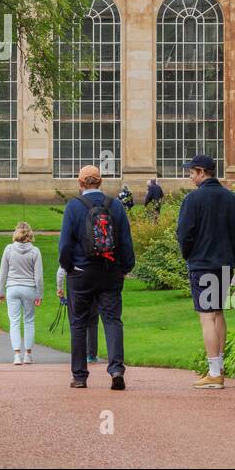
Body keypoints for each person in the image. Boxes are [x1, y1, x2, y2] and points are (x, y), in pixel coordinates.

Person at [58, 165, 135, 390]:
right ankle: (116, 369)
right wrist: (125, 267)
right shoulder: (116, 205)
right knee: (112, 321)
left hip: (80, 273)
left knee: (79, 323)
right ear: (100, 183)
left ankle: (80, 376)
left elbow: (64, 245)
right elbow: (125, 242)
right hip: (110, 271)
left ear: (80, 183)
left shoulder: (73, 207)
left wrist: (68, 267)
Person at [176, 154, 235, 389]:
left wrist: (188, 254)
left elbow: (184, 234)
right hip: (226, 264)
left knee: (207, 316)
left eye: (191, 172)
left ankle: (214, 371)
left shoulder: (193, 200)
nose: (189, 176)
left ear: (200, 171)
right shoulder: (232, 198)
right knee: (218, 314)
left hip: (202, 263)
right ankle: (219, 366)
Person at [0, 222, 43, 365]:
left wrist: (1, 291)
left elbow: (3, 273)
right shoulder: (35, 251)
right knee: (29, 321)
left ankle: (17, 354)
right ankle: (28, 354)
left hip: (12, 288)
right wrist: (39, 294)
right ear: (30, 234)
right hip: (29, 288)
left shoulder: (9, 249)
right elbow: (39, 277)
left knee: (15, 322)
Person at [56, 264, 99, 363]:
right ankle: (91, 354)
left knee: (77, 322)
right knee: (92, 323)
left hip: (76, 290)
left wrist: (60, 290)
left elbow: (61, 272)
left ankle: (79, 355)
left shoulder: (72, 252)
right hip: (93, 288)